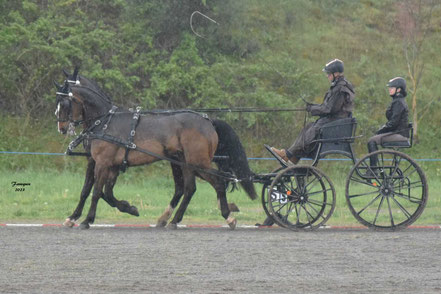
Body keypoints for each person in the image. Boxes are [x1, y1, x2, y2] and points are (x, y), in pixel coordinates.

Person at [256, 58, 355, 227]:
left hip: (335, 124)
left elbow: (329, 109)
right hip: (333, 121)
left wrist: (313, 109)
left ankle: (288, 155)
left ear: (335, 74)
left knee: (313, 129)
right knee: (310, 128)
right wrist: (314, 107)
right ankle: (291, 157)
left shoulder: (340, 88)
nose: (327, 77)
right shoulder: (337, 87)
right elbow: (327, 106)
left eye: (328, 74)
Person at [366, 77, 409, 173]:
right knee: (374, 138)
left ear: (399, 89)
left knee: (372, 141)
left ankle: (373, 169)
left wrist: (380, 130)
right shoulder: (397, 101)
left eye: (392, 87)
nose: (389, 89)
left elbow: (393, 123)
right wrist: (381, 130)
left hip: (400, 134)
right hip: (397, 132)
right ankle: (374, 168)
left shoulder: (399, 102)